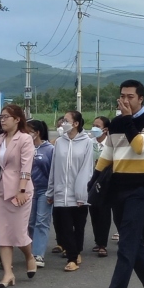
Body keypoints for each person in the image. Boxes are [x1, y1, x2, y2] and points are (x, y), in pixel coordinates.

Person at [96, 80, 144, 288]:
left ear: (141, 98)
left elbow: (140, 146)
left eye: (131, 96)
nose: (125, 100)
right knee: (130, 240)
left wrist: (126, 120)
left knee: (126, 245)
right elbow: (108, 154)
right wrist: (92, 181)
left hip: (139, 188)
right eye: (122, 96)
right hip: (117, 187)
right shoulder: (116, 123)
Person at [0, 104, 37, 288]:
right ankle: (8, 273)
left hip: (21, 189)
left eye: (6, 117)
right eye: (1, 117)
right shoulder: (1, 138)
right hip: (1, 190)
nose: (2, 120)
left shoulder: (25, 139)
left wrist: (21, 190)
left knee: (19, 232)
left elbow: (26, 166)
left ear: (17, 119)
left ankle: (29, 256)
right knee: (3, 233)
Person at [46, 111, 95, 272]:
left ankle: (76, 253)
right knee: (65, 227)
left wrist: (82, 194)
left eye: (66, 121)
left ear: (76, 124)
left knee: (79, 226)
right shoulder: (60, 142)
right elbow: (54, 168)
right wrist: (51, 191)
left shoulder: (87, 142)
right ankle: (72, 257)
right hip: (61, 193)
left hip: (79, 193)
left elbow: (87, 169)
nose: (62, 123)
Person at [28, 119, 54, 268]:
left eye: (29, 131)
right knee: (30, 222)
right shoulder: (26, 147)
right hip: (29, 190)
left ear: (37, 132)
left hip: (45, 189)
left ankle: (39, 254)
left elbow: (53, 171)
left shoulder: (49, 149)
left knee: (41, 221)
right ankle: (30, 251)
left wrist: (52, 191)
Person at [88, 116, 112, 257]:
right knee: (93, 211)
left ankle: (103, 244)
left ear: (105, 129)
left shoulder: (110, 145)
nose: (94, 128)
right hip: (91, 181)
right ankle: (98, 241)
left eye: (97, 126)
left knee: (104, 212)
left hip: (105, 182)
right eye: (93, 125)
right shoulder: (89, 143)